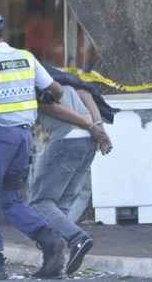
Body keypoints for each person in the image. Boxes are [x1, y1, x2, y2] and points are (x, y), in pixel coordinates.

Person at [0, 10, 108, 280]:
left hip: (0, 136)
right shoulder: (26, 58)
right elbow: (57, 91)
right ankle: (52, 242)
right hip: (23, 139)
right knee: (11, 199)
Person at [31, 81, 113, 276]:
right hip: (88, 142)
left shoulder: (37, 82)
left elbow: (53, 109)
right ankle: (54, 265)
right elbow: (86, 93)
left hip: (67, 139)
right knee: (62, 204)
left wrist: (91, 125)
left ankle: (77, 238)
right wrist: (98, 128)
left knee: (40, 202)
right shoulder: (65, 79)